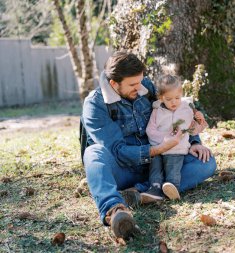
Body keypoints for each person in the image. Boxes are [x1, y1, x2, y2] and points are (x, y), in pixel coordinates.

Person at [81, 51, 216, 240]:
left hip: (161, 164)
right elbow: (117, 152)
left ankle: (140, 193)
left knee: (207, 162)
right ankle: (115, 209)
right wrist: (158, 149)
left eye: (141, 81)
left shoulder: (146, 86)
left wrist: (193, 142)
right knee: (93, 153)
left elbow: (175, 112)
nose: (140, 86)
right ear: (114, 84)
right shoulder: (95, 105)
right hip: (124, 168)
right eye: (133, 84)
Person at [142, 74, 208, 201]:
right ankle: (154, 188)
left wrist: (199, 121)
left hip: (176, 149)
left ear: (181, 95)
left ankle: (172, 189)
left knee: (173, 170)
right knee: (155, 168)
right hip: (158, 148)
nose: (174, 102)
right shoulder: (157, 110)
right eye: (169, 99)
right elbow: (150, 130)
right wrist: (164, 140)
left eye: (177, 98)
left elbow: (192, 131)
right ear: (161, 98)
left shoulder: (187, 109)